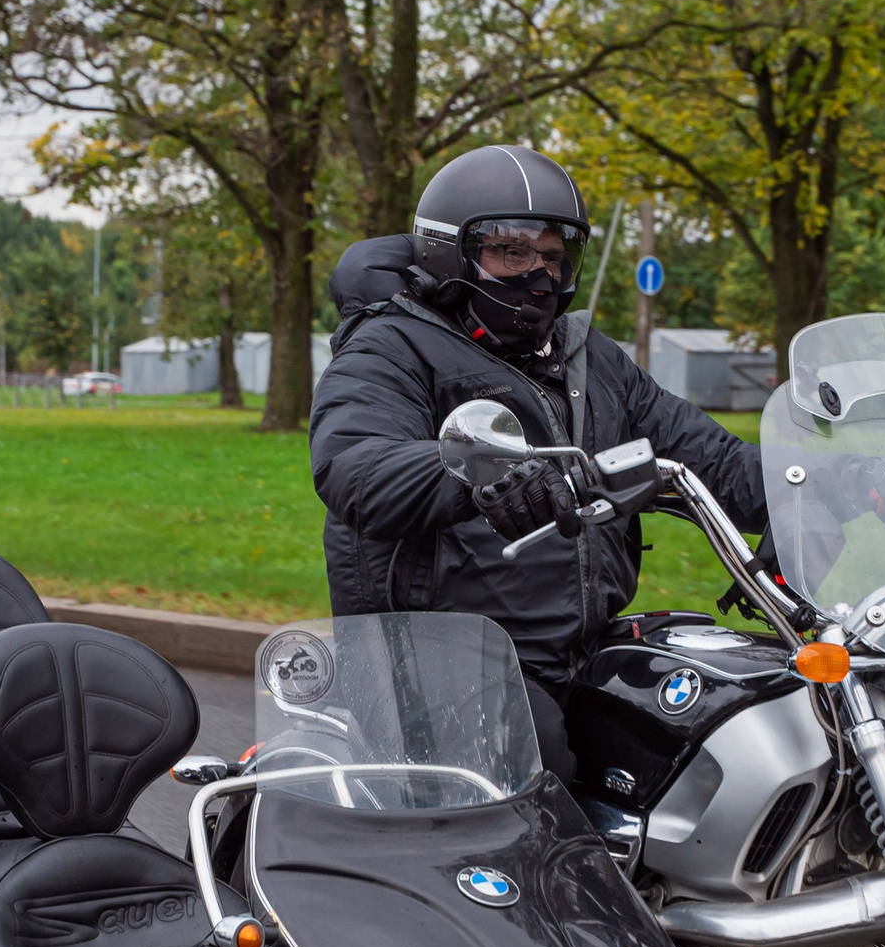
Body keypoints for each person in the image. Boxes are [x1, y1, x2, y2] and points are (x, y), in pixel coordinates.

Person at [309, 145, 767, 783]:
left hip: (580, 648)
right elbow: (356, 464)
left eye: (554, 256)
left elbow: (708, 454)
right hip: (439, 659)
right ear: (454, 253)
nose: (539, 275)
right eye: (512, 253)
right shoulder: (391, 345)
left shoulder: (590, 358)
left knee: (727, 731)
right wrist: (480, 475)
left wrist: (827, 489)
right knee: (538, 767)